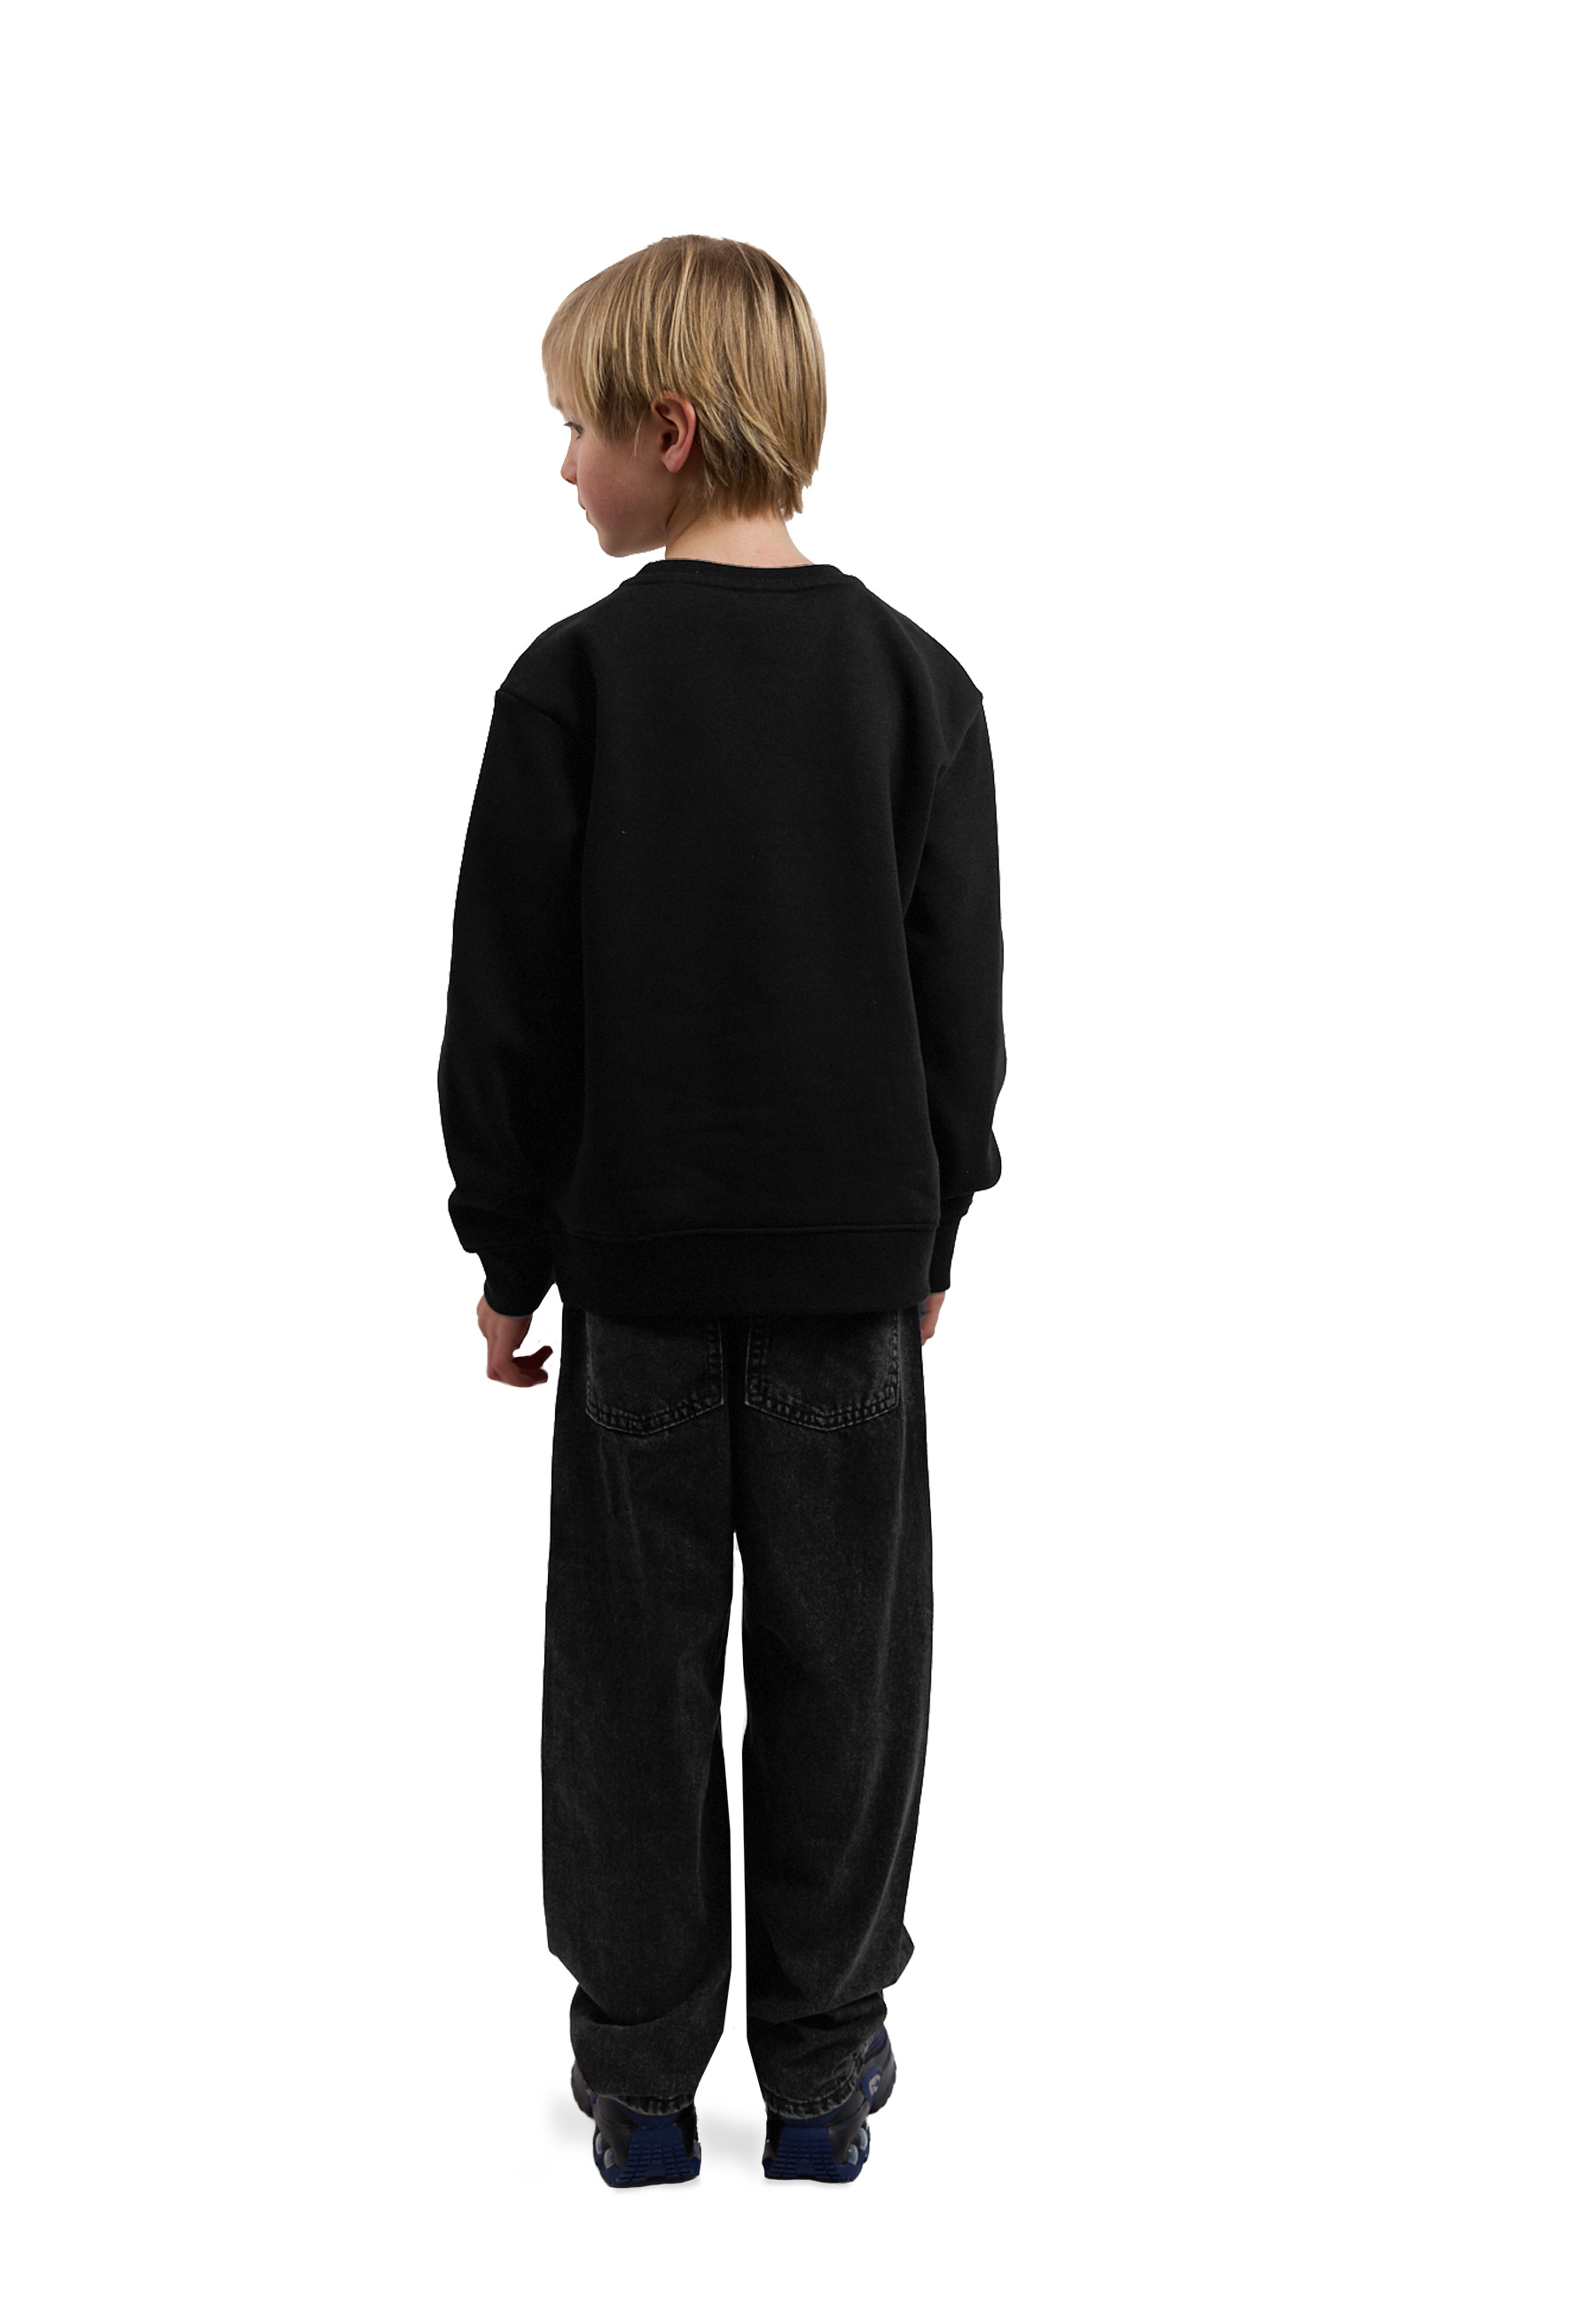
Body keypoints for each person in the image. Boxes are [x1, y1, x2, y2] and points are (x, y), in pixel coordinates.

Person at [437, 235, 1005, 2186]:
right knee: (850, 1672)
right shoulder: (917, 684)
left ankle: (643, 2087)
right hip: (853, 1282)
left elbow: (506, 1005)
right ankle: (825, 2078)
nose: (563, 467)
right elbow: (957, 997)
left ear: (668, 429)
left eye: (577, 430)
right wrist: (936, 1224)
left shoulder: (573, 685)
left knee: (629, 1677)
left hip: (642, 1290)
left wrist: (506, 1248)